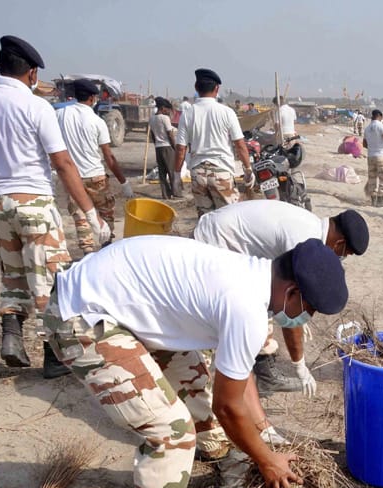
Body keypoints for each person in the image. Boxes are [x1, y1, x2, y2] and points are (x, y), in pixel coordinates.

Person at [40, 236, 347, 488]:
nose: (305, 318)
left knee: (193, 375)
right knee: (171, 432)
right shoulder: (245, 305)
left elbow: (240, 374)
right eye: (308, 308)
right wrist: (267, 460)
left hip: (111, 296)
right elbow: (229, 405)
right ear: (292, 290)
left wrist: (263, 434)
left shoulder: (249, 273)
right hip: (84, 319)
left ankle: (224, 461)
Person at [0, 35, 104, 378]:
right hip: (34, 202)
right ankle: (53, 355)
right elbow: (62, 163)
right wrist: (90, 212)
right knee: (51, 277)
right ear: (31, 73)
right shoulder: (36, 106)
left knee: (13, 271)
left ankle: (12, 334)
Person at [194, 201, 368, 398]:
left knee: (263, 301)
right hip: (215, 243)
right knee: (224, 318)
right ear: (339, 243)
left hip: (230, 238)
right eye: (345, 253)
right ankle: (199, 382)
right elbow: (287, 307)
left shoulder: (312, 225)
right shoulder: (302, 240)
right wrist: (300, 366)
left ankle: (264, 373)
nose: (341, 258)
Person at [54, 78, 133, 254]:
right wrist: (124, 183)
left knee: (81, 219)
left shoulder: (60, 115)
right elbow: (108, 156)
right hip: (96, 177)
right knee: (106, 215)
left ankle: (88, 254)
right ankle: (107, 250)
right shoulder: (97, 121)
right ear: (92, 98)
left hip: (72, 177)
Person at [174, 69, 254, 217]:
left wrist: (177, 175)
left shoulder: (187, 114)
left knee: (205, 221)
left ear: (196, 87)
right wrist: (248, 169)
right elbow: (240, 145)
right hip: (221, 172)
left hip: (198, 174)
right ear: (217, 88)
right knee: (229, 219)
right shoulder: (227, 112)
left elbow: (180, 149)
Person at [363, 109, 383, 207]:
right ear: (380, 116)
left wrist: (372, 147)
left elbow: (364, 144)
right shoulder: (381, 126)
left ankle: (373, 200)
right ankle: (380, 200)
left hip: (370, 156)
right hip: (380, 155)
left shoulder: (367, 128)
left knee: (372, 178)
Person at [149, 97, 177, 200]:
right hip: (167, 147)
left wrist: (156, 144)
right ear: (162, 108)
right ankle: (176, 193)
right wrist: (175, 148)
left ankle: (165, 194)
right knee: (172, 171)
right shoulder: (165, 118)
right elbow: (170, 134)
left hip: (158, 148)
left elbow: (152, 134)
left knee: (162, 173)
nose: (168, 111)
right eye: (167, 109)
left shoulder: (151, 118)